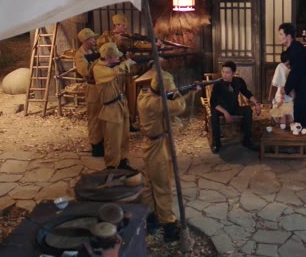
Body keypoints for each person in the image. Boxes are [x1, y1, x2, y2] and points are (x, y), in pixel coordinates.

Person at [137, 71, 200, 242]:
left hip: (153, 144)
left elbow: (170, 101)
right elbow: (178, 106)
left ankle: (150, 217)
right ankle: (169, 226)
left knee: (150, 184)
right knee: (162, 186)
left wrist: (187, 91)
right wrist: (182, 93)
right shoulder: (155, 102)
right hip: (157, 148)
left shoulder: (145, 95)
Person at [92, 42, 136, 170]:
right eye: (116, 56)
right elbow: (115, 72)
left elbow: (129, 72)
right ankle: (112, 166)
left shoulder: (114, 66)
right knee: (113, 141)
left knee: (123, 138)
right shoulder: (98, 69)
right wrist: (127, 62)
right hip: (111, 109)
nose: (118, 57)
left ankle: (122, 161)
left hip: (121, 105)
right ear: (108, 57)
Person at [209, 61, 261, 153]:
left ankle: (247, 140)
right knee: (214, 113)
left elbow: (246, 93)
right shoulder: (218, 84)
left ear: (233, 73)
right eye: (223, 72)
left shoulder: (238, 81)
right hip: (221, 109)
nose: (224, 75)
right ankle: (216, 142)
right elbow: (213, 102)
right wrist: (225, 112)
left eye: (227, 72)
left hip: (234, 107)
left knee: (248, 110)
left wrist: (257, 103)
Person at [74, 28, 104, 157]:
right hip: (92, 88)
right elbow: (85, 71)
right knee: (94, 118)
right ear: (85, 41)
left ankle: (102, 141)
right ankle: (96, 145)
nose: (94, 40)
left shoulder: (95, 50)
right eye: (91, 39)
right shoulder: (80, 55)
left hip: (101, 86)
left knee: (102, 116)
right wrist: (100, 61)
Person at [269, 51, 294, 127]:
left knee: (290, 119)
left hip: (290, 97)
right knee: (282, 117)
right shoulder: (280, 67)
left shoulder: (293, 67)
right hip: (281, 97)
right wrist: (271, 98)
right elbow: (274, 84)